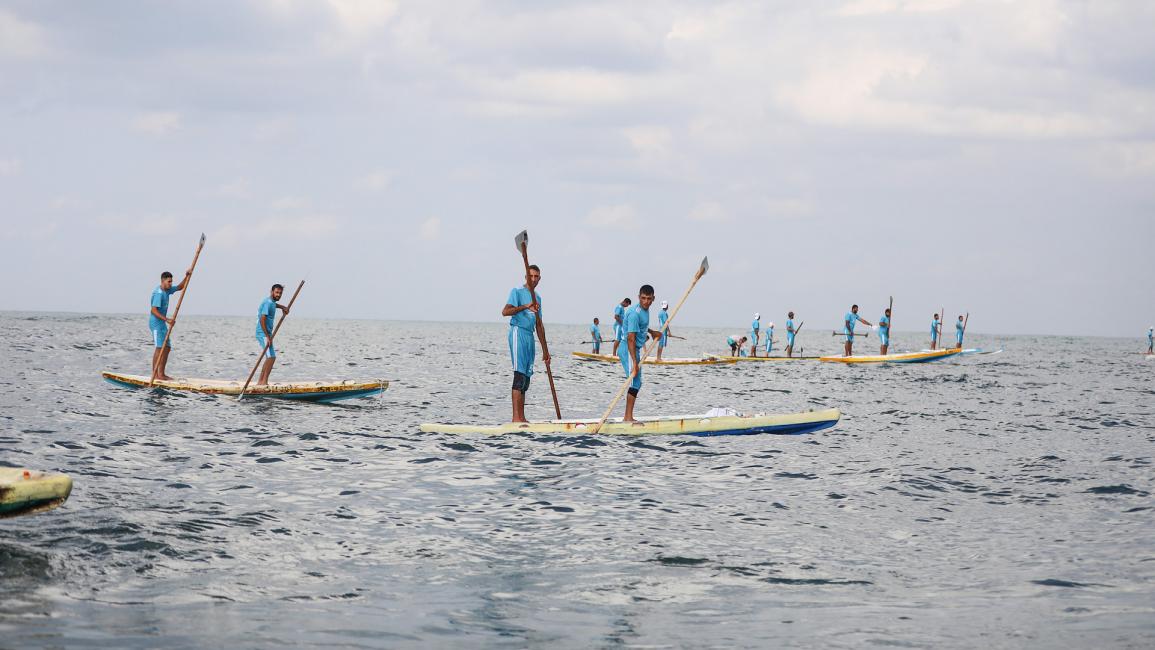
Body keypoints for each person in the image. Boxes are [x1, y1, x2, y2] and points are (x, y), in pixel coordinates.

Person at [502, 264, 549, 423]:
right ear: (526, 277)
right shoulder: (517, 291)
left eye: (537, 277)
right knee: (519, 375)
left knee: (526, 378)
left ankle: (522, 418)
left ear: (539, 279)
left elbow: (539, 325)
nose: (534, 279)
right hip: (518, 332)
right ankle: (516, 419)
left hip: (529, 336)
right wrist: (525, 306)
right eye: (531, 276)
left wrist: (546, 351)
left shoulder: (538, 298)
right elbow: (505, 312)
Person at [618, 285, 663, 422]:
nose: (646, 302)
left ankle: (628, 417)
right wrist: (635, 362)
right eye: (643, 298)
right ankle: (627, 418)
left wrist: (652, 332)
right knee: (634, 382)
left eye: (649, 299)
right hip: (628, 349)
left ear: (653, 299)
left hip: (634, 349)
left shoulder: (644, 311)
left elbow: (641, 325)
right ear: (639, 297)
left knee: (637, 383)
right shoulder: (633, 313)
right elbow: (631, 338)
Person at [148, 268, 191, 380]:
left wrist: (186, 276)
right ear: (163, 281)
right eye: (169, 282)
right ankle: (155, 374)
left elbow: (180, 287)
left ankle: (161, 374)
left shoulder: (167, 290)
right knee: (159, 347)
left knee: (167, 347)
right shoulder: (158, 293)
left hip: (162, 323)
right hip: (156, 323)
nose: (171, 283)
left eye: (171, 281)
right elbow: (153, 310)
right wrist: (167, 319)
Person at [254, 284, 291, 385]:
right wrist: (267, 336)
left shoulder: (271, 302)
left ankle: (260, 382)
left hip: (267, 334)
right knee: (271, 357)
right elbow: (262, 319)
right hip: (262, 333)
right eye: (277, 292)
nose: (278, 295)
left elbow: (274, 305)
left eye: (280, 293)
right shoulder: (267, 303)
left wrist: (283, 307)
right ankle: (263, 383)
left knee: (270, 357)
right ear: (272, 292)